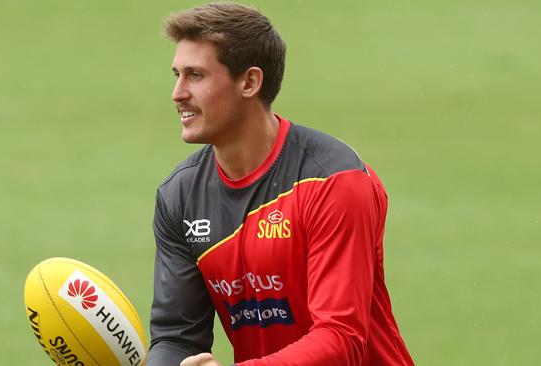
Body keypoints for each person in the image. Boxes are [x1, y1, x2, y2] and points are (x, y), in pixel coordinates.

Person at [147, 3, 414, 365]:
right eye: (177, 74)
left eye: (196, 75)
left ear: (250, 82)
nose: (178, 93)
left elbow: (341, 339)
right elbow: (176, 338)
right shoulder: (180, 196)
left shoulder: (334, 181)